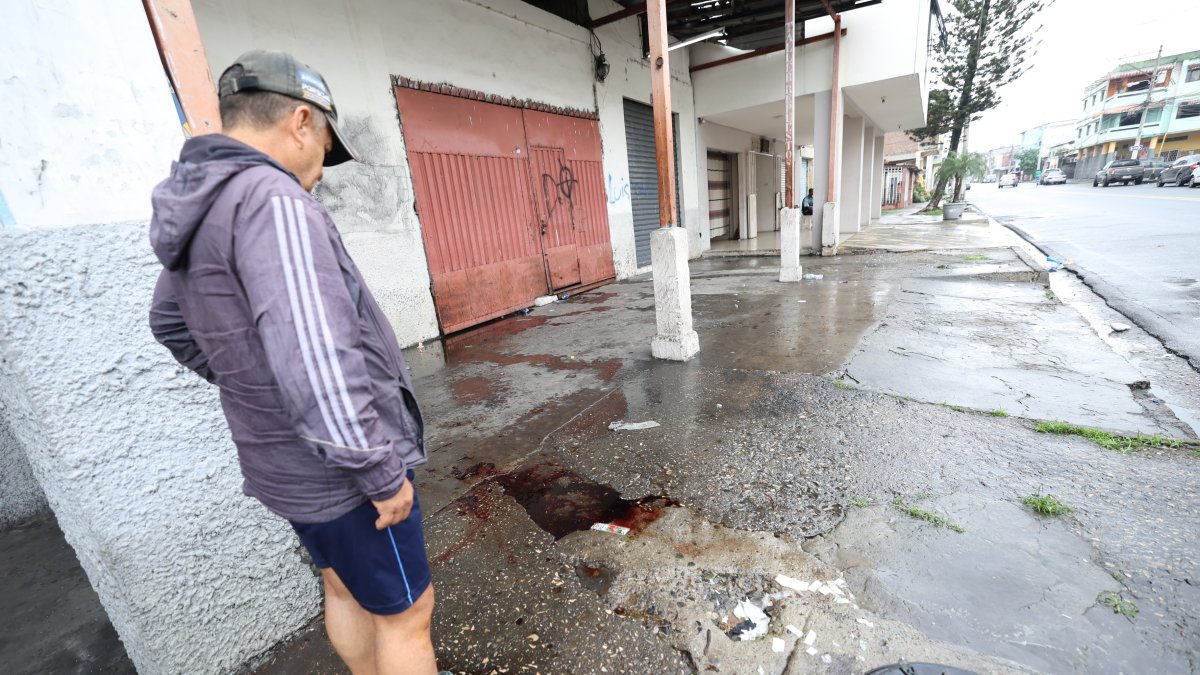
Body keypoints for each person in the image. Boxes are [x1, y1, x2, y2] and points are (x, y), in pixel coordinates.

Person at [148, 51, 446, 675]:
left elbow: (171, 324)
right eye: (326, 153)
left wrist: (256, 384)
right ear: (302, 121)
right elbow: (317, 358)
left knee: (342, 588)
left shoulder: (201, 204)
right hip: (342, 474)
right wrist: (377, 470)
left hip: (283, 465)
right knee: (407, 616)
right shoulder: (272, 200)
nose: (321, 174)